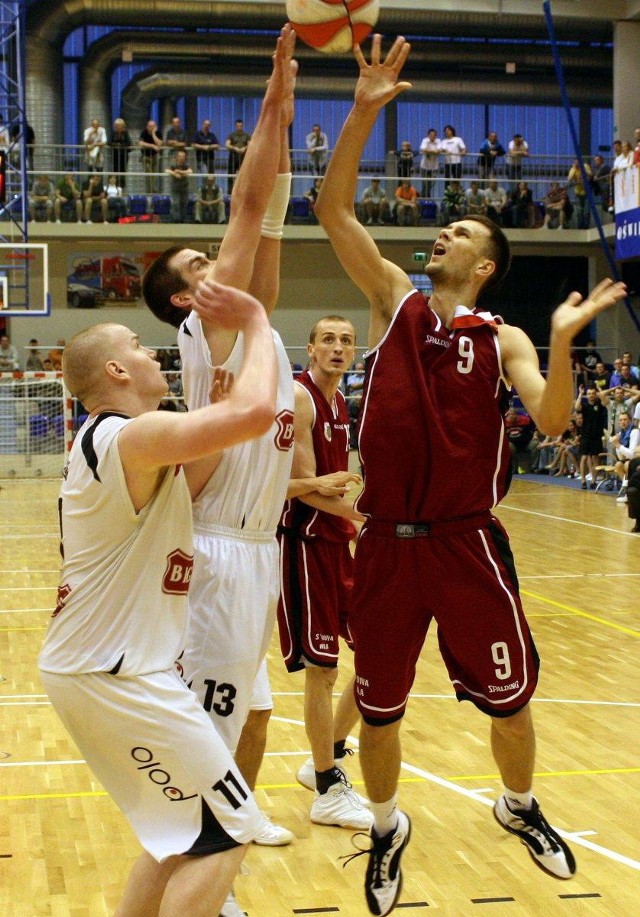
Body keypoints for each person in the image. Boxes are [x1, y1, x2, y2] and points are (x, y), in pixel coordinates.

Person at [315, 35, 626, 917]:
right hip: (385, 548)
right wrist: (363, 113)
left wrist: (564, 345)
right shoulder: (393, 302)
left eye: (457, 234)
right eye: (441, 230)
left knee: (510, 700)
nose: (440, 235)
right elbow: (335, 212)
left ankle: (519, 806)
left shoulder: (506, 339)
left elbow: (558, 419)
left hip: (468, 545)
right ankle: (384, 824)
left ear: (484, 264)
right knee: (377, 712)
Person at [38, 279, 278, 917]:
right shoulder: (125, 437)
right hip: (116, 673)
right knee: (234, 828)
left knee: (177, 837)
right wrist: (256, 324)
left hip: (103, 668)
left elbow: (194, 478)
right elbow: (258, 415)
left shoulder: (124, 445)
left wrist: (213, 431)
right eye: (141, 348)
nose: (154, 355)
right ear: (116, 369)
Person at [142, 28, 299, 908]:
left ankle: (201, 862)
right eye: (196, 267)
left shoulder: (249, 323)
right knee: (202, 729)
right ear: (180, 301)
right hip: (215, 550)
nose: (214, 263)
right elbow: (247, 208)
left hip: (256, 550)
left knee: (231, 718)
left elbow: (267, 217)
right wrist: (274, 97)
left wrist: (282, 112)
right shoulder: (207, 328)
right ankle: (200, 875)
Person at [277, 315, 372, 831]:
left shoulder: (340, 400)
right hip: (303, 542)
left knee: (377, 652)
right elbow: (308, 487)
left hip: (337, 542)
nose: (338, 348)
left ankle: (327, 754)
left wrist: (355, 509)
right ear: (310, 348)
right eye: (328, 340)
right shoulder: (300, 397)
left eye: (346, 341)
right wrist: (366, 515)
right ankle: (327, 787)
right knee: (324, 668)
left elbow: (335, 484)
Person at [574, 384, 608, 489]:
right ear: (587, 395)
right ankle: (583, 480)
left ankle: (593, 481)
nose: (591, 395)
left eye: (593, 393)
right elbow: (576, 407)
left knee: (595, 458)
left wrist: (599, 389)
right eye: (589, 394)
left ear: (595, 394)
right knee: (583, 457)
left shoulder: (600, 404)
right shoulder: (584, 406)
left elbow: (606, 401)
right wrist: (580, 394)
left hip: (597, 436)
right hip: (585, 435)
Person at [166, 149, 193, 223]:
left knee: (184, 203)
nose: (182, 158)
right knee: (175, 203)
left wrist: (179, 172)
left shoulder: (186, 164)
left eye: (183, 156)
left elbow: (190, 171)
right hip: (175, 187)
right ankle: (176, 219)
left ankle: (182, 219)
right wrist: (174, 174)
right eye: (180, 156)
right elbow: (167, 170)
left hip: (184, 187)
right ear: (177, 157)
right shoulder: (173, 164)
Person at [225, 118, 251, 193]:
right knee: (231, 175)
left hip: (243, 157)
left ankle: (243, 191)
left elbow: (250, 145)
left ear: (242, 126)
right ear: (236, 126)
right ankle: (229, 192)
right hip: (233, 156)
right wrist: (235, 148)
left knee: (244, 175)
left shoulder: (246, 135)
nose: (239, 127)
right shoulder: (231, 135)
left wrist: (244, 148)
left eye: (241, 126)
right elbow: (227, 145)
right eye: (238, 126)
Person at [566, 158, 592, 229]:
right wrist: (574, 169)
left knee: (587, 210)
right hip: (578, 192)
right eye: (575, 163)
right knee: (579, 210)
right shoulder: (573, 169)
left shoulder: (585, 166)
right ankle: (580, 226)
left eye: (578, 162)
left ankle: (586, 226)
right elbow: (569, 179)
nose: (577, 164)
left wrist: (583, 169)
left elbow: (590, 174)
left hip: (587, 192)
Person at [139, 119, 163, 194]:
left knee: (154, 175)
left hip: (155, 156)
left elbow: (159, 144)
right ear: (147, 127)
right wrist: (152, 146)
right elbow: (141, 143)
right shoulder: (144, 132)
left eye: (153, 126)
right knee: (148, 174)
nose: (151, 128)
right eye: (150, 126)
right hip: (146, 156)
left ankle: (154, 192)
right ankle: (148, 192)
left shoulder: (158, 133)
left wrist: (153, 134)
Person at [109, 118, 131, 188]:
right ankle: (115, 186)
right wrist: (118, 145)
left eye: (119, 125)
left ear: (123, 126)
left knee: (123, 171)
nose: (117, 127)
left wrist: (118, 145)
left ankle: (122, 187)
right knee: (115, 171)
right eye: (116, 125)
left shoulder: (125, 133)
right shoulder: (113, 133)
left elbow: (128, 142)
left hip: (124, 156)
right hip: (115, 155)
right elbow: (109, 142)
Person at [418, 127, 440, 198]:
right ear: (428, 135)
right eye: (431, 135)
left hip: (434, 167)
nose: (432, 136)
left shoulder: (438, 141)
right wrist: (433, 151)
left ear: (436, 136)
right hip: (424, 166)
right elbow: (423, 149)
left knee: (431, 183)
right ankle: (426, 197)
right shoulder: (425, 140)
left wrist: (429, 151)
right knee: (424, 183)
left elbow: (438, 151)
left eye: (434, 135)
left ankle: (424, 195)